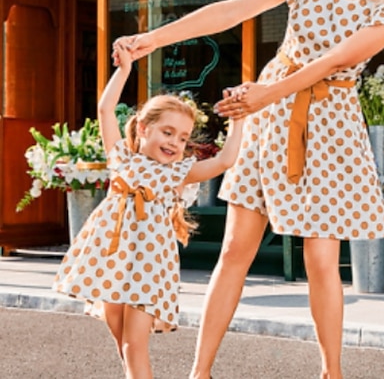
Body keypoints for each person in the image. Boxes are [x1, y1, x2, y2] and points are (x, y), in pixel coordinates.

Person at [113, 0, 384, 377]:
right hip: (269, 117)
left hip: (329, 128)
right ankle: (201, 373)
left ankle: (331, 372)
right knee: (235, 248)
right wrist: (150, 40)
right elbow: (230, 10)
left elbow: (329, 64)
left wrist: (265, 94)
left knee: (321, 260)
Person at [53, 44, 244, 379]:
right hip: (112, 257)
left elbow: (224, 161)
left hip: (147, 264)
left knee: (133, 344)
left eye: (183, 138)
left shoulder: (177, 171)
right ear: (142, 128)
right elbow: (105, 109)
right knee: (118, 336)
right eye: (167, 132)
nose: (175, 143)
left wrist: (240, 120)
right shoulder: (121, 159)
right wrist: (124, 70)